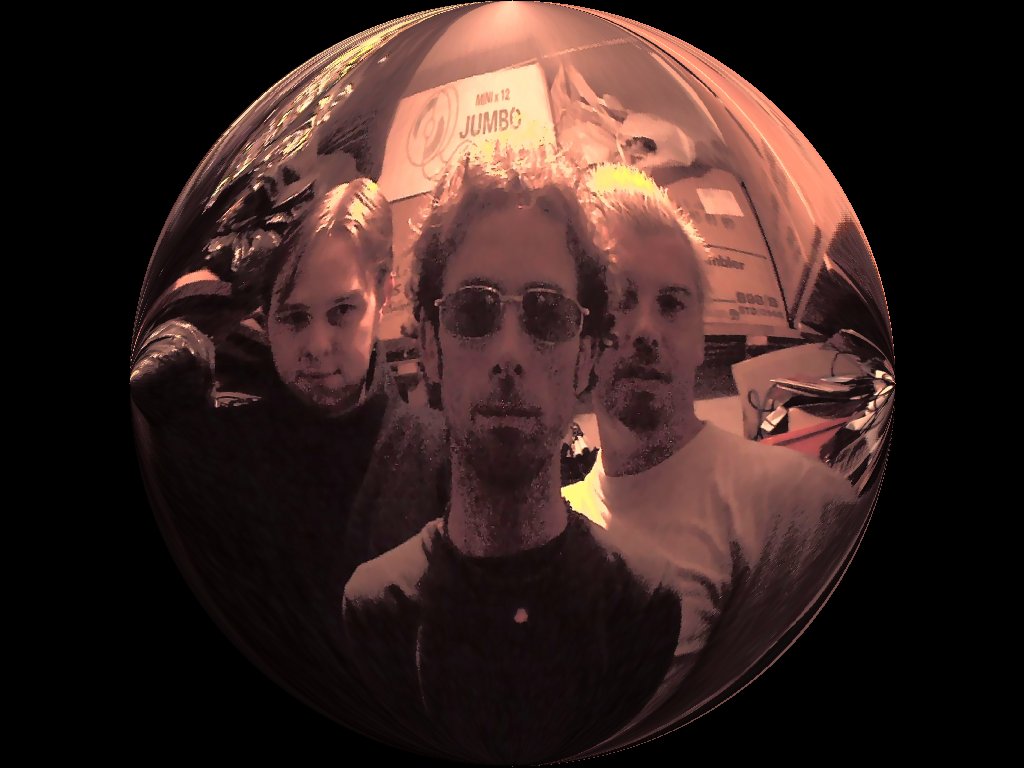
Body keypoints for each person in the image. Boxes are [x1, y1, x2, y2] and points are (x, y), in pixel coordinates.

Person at [341, 149, 683, 765]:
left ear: (585, 357)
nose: (508, 353)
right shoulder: (375, 610)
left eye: (547, 315)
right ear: (430, 346)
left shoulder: (643, 603)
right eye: (474, 309)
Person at [130, 177, 447, 730]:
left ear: (384, 291)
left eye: (342, 310)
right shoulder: (220, 451)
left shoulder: (445, 457)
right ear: (265, 313)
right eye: (294, 317)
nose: (317, 347)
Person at [561, 164, 858, 729]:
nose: (646, 329)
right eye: (621, 299)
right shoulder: (556, 522)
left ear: (700, 337)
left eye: (672, 303)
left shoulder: (793, 501)